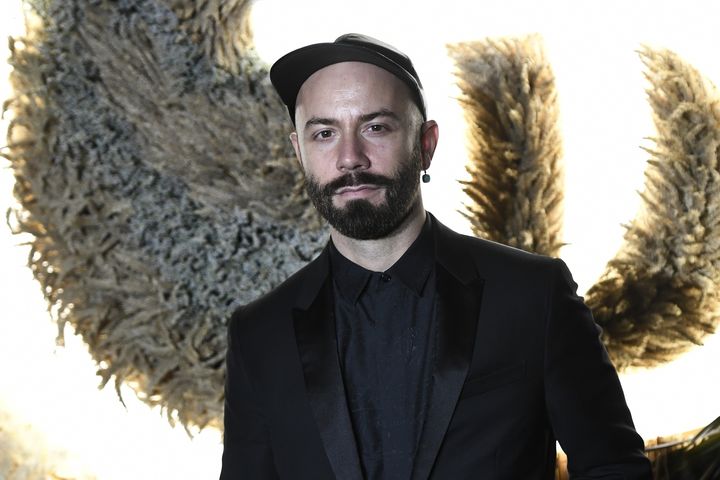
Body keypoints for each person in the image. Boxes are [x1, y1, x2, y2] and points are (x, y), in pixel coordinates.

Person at [220, 33, 652, 479]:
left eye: (376, 127)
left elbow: (614, 467)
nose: (350, 158)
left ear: (426, 143)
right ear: (300, 152)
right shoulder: (259, 335)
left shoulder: (532, 295)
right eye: (325, 133)